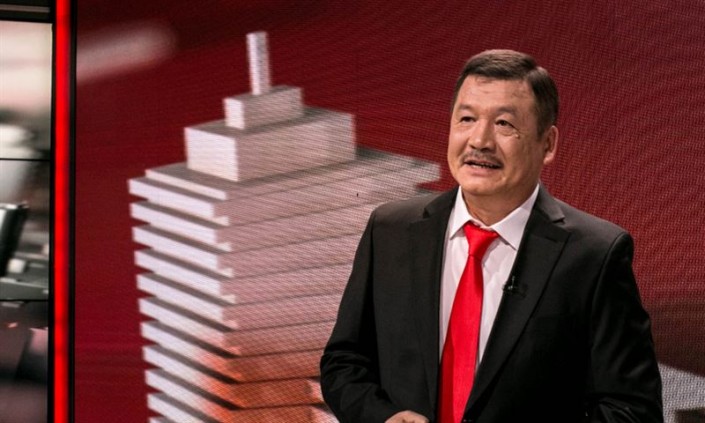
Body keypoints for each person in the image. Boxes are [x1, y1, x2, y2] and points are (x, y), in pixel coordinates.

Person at [320, 50, 662, 423]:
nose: (479, 140)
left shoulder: (594, 255)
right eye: (466, 119)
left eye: (504, 124)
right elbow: (345, 362)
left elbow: (631, 410)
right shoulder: (390, 230)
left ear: (548, 144)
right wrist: (381, 417)